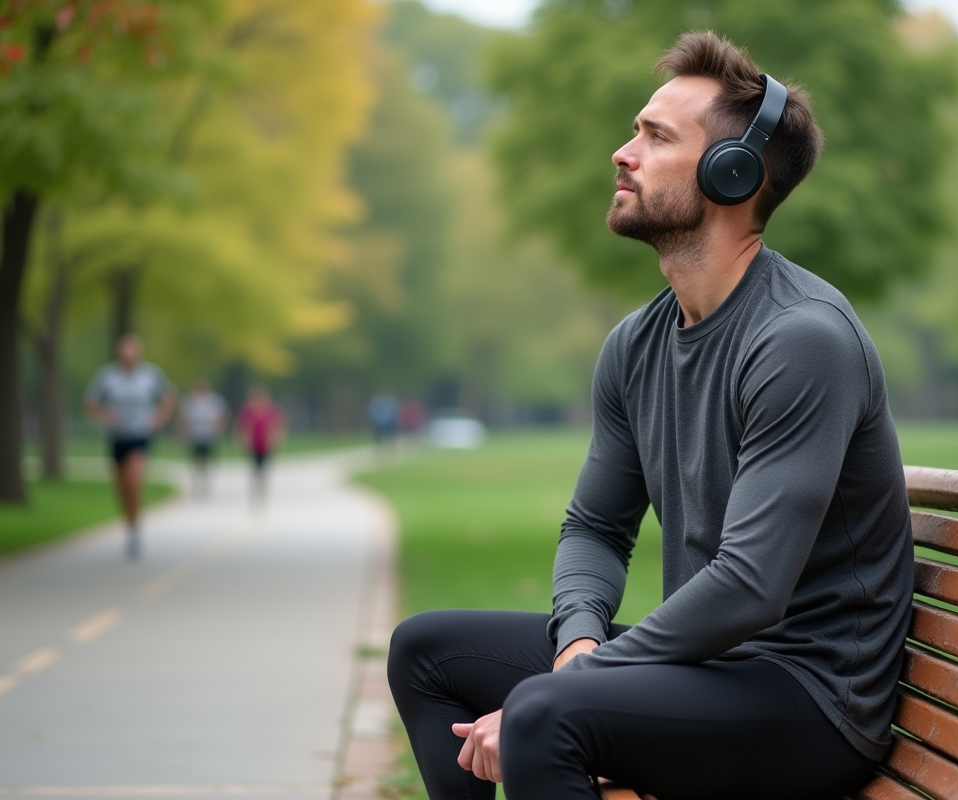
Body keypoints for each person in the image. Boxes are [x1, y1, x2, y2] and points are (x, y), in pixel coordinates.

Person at [388, 32, 914, 800]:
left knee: (542, 716)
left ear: (733, 174)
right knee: (424, 650)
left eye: (655, 136)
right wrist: (577, 644)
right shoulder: (636, 344)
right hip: (709, 668)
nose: (621, 153)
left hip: (809, 698)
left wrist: (582, 681)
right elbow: (596, 529)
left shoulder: (801, 339)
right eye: (637, 130)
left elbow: (749, 585)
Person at [84, 334, 176, 559]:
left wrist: (159, 418)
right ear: (119, 354)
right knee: (121, 489)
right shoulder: (107, 376)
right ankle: (130, 526)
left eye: (132, 352)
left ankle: (136, 531)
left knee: (133, 481)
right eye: (124, 352)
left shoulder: (150, 375)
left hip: (140, 435)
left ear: (139, 354)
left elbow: (169, 397)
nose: (129, 356)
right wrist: (104, 416)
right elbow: (90, 403)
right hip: (117, 437)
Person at [178, 378, 228, 498]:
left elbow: (221, 415)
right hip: (194, 435)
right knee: (195, 460)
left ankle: (205, 482)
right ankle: (195, 483)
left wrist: (219, 429)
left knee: (206, 460)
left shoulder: (214, 400)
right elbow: (183, 418)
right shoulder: (190, 401)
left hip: (208, 435)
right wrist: (183, 433)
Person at [236, 385, 286, 502]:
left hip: (266, 444)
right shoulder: (247, 410)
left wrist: (276, 441)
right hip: (253, 444)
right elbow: (242, 427)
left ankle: (263, 487)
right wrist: (243, 442)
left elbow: (278, 426)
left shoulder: (272, 410)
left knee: (265, 466)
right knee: (254, 466)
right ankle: (256, 486)